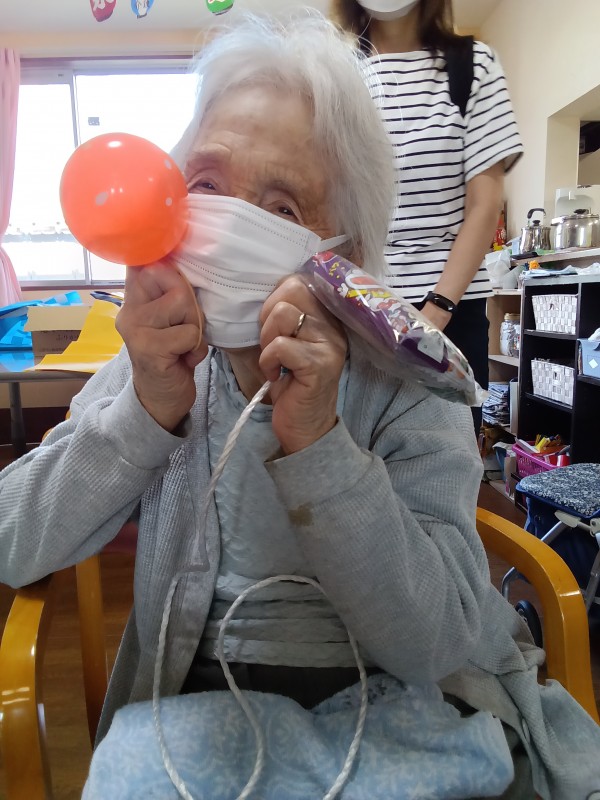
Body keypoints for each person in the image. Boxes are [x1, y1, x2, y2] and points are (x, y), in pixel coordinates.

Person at [0, 12, 598, 800]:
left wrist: (318, 443)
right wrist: (143, 414)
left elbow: (437, 640)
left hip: (402, 701)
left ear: (342, 247)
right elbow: (12, 541)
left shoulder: (410, 382)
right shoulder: (151, 365)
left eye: (282, 207)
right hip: (198, 710)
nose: (229, 224)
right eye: (206, 186)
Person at [330, 0, 523, 433]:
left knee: (448, 454)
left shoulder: (473, 66)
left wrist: (435, 313)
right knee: (356, 445)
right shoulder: (336, 72)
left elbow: (484, 204)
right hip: (359, 305)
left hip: (451, 308)